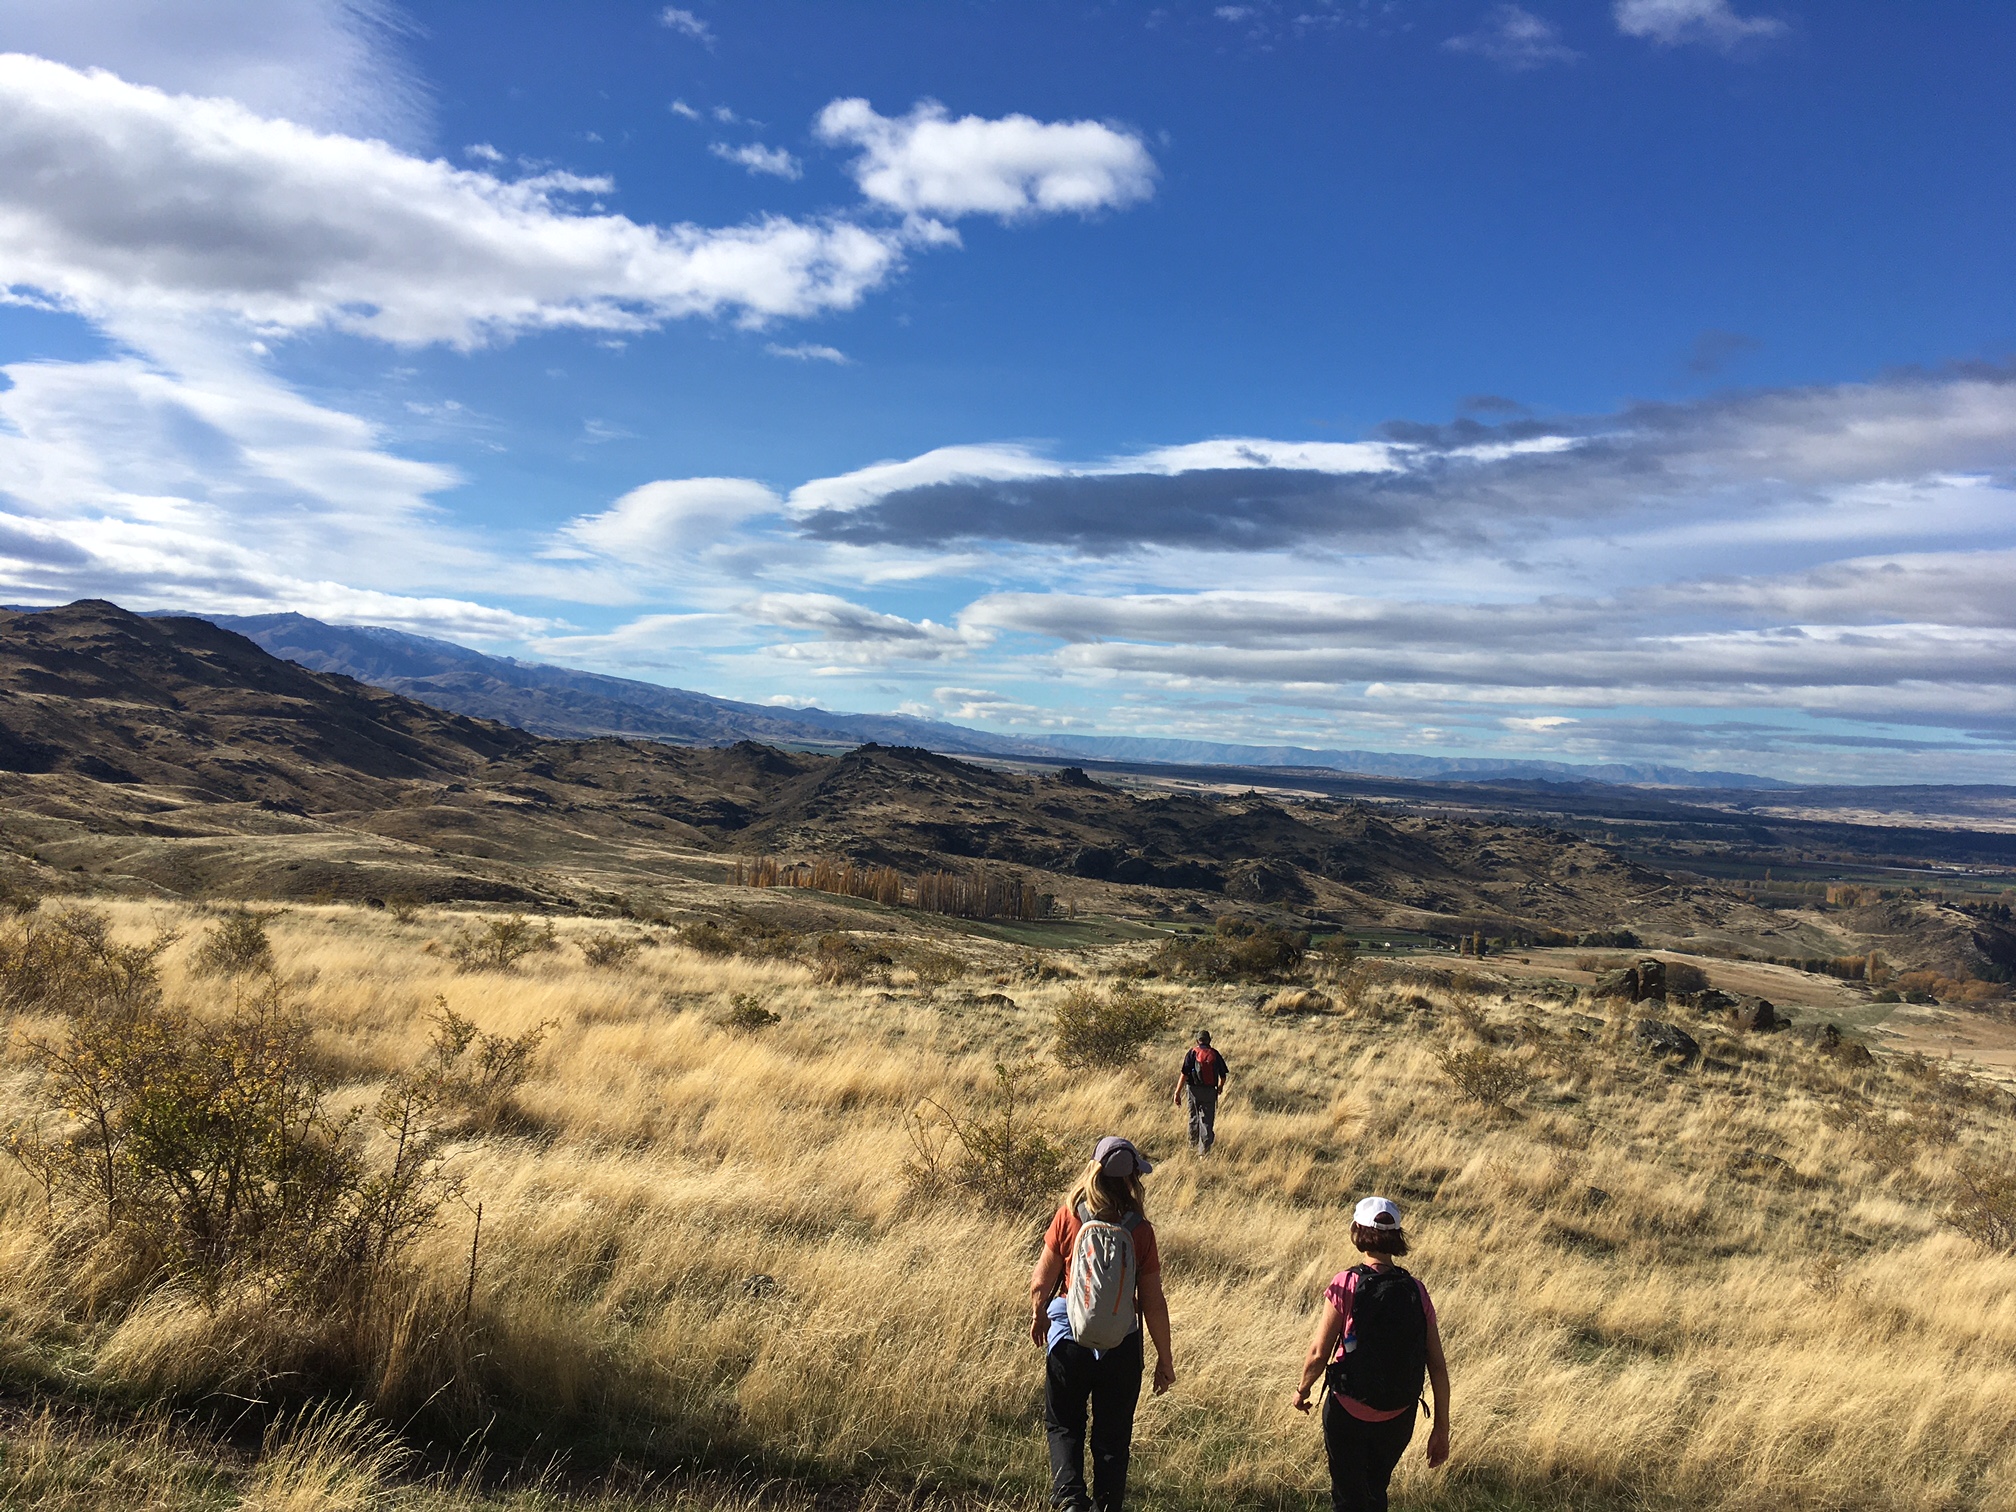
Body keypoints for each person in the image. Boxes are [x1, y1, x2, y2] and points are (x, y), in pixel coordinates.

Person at [1028, 1136, 1176, 1512]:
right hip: (1121, 1347)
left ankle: (1070, 1503)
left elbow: (1041, 1281)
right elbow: (1153, 1303)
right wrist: (1164, 1358)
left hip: (1069, 1341)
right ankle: (1107, 1507)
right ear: (1132, 1180)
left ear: (1093, 1170)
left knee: (1064, 1426)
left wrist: (1039, 1314)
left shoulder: (1070, 1215)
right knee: (1112, 1441)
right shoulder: (1140, 1230)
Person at [1291, 1196, 1450, 1512]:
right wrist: (1441, 1429)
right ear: (1396, 1237)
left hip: (1347, 1410)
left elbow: (1319, 1352)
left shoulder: (1346, 1282)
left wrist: (1303, 1390)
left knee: (1348, 1497)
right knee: (1376, 1490)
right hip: (1398, 1414)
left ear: (1356, 1231)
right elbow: (1438, 1366)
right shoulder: (1416, 1290)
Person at [1173, 1029, 1229, 1154]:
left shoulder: (1192, 1052)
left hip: (1193, 1090)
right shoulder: (1215, 1054)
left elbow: (1184, 1074)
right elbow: (1223, 1075)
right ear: (1209, 1040)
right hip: (1209, 1091)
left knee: (1194, 1117)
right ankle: (1204, 1152)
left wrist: (1177, 1092)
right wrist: (1220, 1087)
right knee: (1207, 1120)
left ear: (1197, 1040)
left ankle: (1192, 1146)